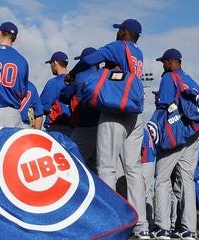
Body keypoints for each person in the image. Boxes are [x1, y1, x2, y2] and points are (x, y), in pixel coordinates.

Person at [66, 19, 149, 238]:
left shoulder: (118, 46)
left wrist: (73, 74)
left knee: (107, 166)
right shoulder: (138, 53)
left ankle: (109, 222)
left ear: (124, 32)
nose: (117, 32)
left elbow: (90, 59)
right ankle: (141, 225)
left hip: (115, 110)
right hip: (134, 113)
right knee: (133, 170)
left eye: (119, 29)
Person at [152, 48, 199, 240]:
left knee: (162, 178)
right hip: (193, 133)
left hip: (174, 132)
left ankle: (163, 227)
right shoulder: (192, 81)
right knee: (187, 180)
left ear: (172, 61)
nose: (162, 66)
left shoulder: (169, 77)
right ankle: (189, 230)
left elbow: (163, 105)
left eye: (164, 62)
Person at [60, 47, 101, 168]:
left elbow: (64, 96)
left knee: (72, 163)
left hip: (85, 126)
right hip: (104, 126)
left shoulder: (79, 75)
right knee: (98, 168)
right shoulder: (104, 74)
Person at [39, 51, 72, 136]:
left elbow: (42, 107)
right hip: (75, 129)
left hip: (56, 128)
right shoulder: (75, 80)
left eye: (51, 63)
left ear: (55, 63)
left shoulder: (53, 83)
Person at [141, 127, 157, 233]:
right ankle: (149, 223)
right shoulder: (145, 130)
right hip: (150, 161)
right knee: (148, 193)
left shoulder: (140, 130)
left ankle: (148, 224)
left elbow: (138, 148)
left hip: (145, 162)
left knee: (143, 193)